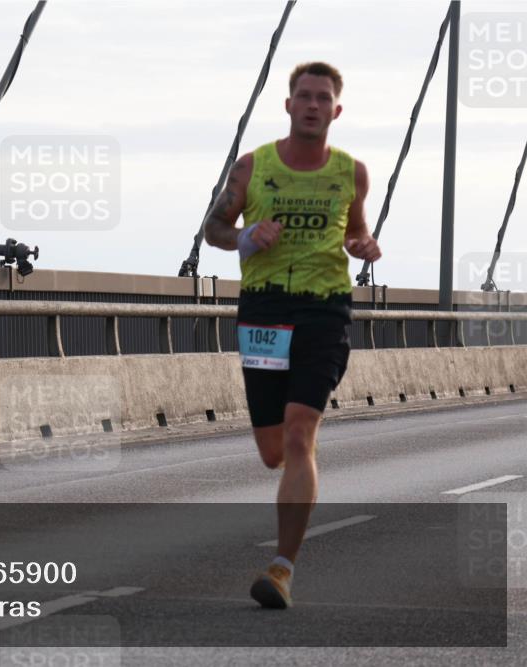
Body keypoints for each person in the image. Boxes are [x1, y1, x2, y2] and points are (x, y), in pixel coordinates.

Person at [204, 62, 382, 608]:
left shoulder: (352, 172)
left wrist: (364, 246)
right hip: (265, 308)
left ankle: (281, 569)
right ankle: (292, 468)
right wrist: (246, 238)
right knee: (273, 450)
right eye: (304, 96)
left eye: (322, 98)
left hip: (325, 310)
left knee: (301, 432)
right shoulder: (252, 167)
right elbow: (213, 229)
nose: (312, 105)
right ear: (288, 105)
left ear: (336, 110)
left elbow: (356, 230)